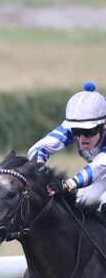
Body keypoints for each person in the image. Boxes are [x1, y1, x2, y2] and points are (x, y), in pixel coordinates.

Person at [30, 82, 106, 210]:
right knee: (82, 201)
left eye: (88, 132)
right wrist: (40, 169)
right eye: (76, 132)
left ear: (103, 125)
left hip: (101, 170)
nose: (82, 138)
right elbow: (38, 149)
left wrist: (67, 185)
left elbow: (99, 167)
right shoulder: (75, 124)